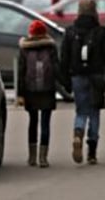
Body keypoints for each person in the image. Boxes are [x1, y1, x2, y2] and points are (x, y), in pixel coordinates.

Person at [60, 0, 105, 165]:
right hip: (97, 77)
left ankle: (78, 133)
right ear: (95, 11)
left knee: (81, 111)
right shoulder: (101, 32)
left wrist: (65, 81)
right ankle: (92, 152)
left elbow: (64, 58)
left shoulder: (70, 32)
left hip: (77, 76)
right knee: (94, 113)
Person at [17, 19, 62, 168]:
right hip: (48, 90)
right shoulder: (51, 47)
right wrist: (65, 83)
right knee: (45, 123)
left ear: (31, 33)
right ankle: (43, 158)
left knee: (33, 122)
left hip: (30, 90)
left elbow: (21, 72)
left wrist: (20, 94)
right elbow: (56, 68)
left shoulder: (24, 49)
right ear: (44, 33)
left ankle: (32, 157)